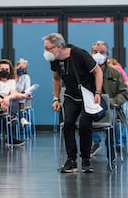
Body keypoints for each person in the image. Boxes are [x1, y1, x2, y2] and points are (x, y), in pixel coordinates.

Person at [43, 33, 103, 173]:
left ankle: (86, 160)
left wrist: (98, 92)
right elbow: (56, 78)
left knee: (84, 125)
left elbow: (98, 72)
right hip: (70, 96)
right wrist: (56, 98)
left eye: (47, 48)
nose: (46, 52)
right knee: (68, 124)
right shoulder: (54, 59)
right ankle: (71, 160)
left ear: (58, 47)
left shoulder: (79, 54)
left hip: (87, 96)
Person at [89, 42, 128, 161]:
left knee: (114, 122)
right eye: (95, 52)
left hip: (111, 107)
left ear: (107, 55)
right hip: (92, 107)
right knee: (84, 120)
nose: (98, 55)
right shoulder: (86, 73)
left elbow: (124, 93)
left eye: (102, 52)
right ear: (91, 54)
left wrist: (112, 101)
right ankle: (95, 142)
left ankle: (113, 146)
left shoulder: (115, 73)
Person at [0, 59, 29, 147]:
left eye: (7, 69)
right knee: (8, 106)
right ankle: (13, 119)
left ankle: (11, 134)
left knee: (13, 100)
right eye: (2, 69)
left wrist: (7, 99)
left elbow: (13, 93)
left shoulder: (11, 81)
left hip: (7, 102)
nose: (5, 71)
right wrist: (2, 101)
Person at [13, 58, 32, 126]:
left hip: (21, 98)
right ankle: (21, 118)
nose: (22, 70)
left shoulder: (26, 77)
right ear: (16, 66)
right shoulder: (10, 77)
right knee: (13, 98)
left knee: (18, 97)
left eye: (24, 69)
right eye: (20, 67)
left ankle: (16, 117)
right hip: (11, 98)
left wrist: (19, 93)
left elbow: (27, 90)